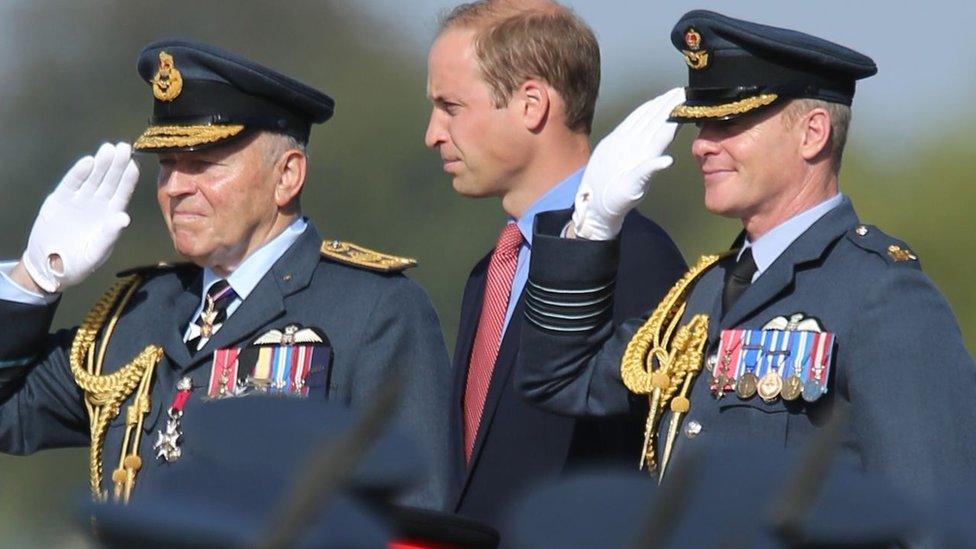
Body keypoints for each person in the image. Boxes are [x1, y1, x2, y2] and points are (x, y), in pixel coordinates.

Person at [515, 9, 976, 509]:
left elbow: (933, 520)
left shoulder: (883, 297)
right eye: (701, 126)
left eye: (729, 123)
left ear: (813, 133)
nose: (701, 147)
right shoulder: (706, 292)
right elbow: (559, 379)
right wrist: (589, 227)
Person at [0, 39, 451, 510]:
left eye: (202, 166)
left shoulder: (373, 311)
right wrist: (34, 278)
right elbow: (8, 412)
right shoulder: (138, 313)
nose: (175, 188)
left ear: (287, 176)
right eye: (168, 166)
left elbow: (414, 518)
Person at [424, 0, 686, 525]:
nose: (432, 133)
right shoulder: (492, 270)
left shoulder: (634, 256)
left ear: (531, 104)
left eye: (451, 107)